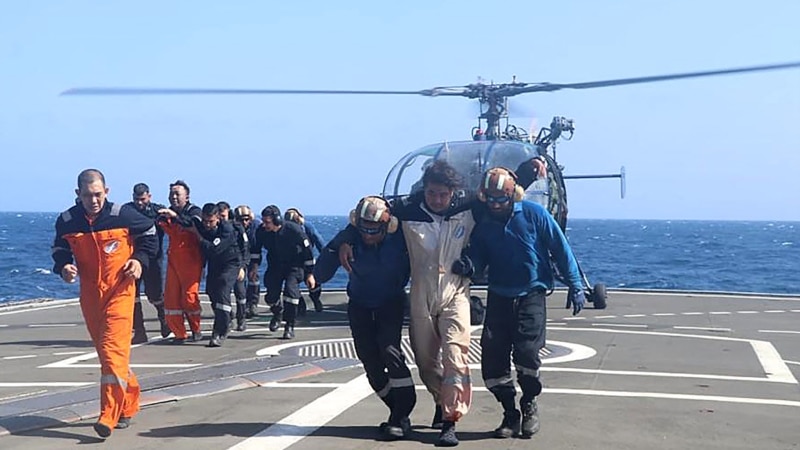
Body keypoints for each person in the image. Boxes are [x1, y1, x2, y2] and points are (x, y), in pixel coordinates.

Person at [338, 157, 544, 446]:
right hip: (421, 296)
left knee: (456, 357)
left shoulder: (469, 205)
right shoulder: (408, 210)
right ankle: (440, 399)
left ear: (452, 192)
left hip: (456, 293)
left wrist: (530, 168)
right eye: (432, 193)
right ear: (425, 190)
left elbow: (501, 191)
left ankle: (450, 420)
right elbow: (370, 213)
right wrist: (347, 237)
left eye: (443, 194)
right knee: (425, 363)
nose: (437, 199)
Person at [454, 166, 585, 439]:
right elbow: (478, 256)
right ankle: (509, 412)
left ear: (514, 194)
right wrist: (469, 265)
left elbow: (560, 248)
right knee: (492, 361)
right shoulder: (485, 224)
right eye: (490, 199)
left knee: (527, 354)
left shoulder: (534, 214)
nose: (496, 205)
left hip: (531, 295)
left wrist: (575, 284)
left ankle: (529, 402)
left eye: (501, 199)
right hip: (499, 296)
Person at [51, 169, 158, 438]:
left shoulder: (122, 214)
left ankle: (108, 415)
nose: (94, 200)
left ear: (106, 192)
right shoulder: (67, 221)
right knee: (110, 356)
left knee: (112, 352)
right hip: (90, 295)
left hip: (120, 292)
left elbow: (149, 234)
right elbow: (59, 249)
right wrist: (64, 266)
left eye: (98, 194)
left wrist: (139, 261)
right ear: (78, 195)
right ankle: (130, 401)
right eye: (88, 196)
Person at [313, 196, 415, 440]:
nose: (368, 235)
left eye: (374, 230)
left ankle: (402, 411)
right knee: (370, 360)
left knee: (390, 350)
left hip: (390, 302)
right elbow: (321, 273)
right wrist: (341, 241)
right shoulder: (350, 239)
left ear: (387, 225)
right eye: (363, 229)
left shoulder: (401, 236)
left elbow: (412, 201)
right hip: (359, 305)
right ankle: (396, 409)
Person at [249, 205, 316, 340]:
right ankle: (277, 312)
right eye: (264, 221)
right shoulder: (262, 232)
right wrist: (254, 268)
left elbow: (308, 252)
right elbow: (256, 250)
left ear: (277, 220)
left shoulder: (294, 230)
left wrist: (310, 274)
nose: (265, 225)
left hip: (295, 266)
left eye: (268, 222)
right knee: (271, 297)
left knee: (291, 294)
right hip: (275, 266)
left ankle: (289, 326)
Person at [157, 180, 204, 343]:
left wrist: (175, 217)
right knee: (171, 298)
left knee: (189, 296)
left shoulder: (194, 211)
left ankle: (196, 329)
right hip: (173, 259)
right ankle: (179, 333)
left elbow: (195, 225)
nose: (173, 197)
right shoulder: (166, 213)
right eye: (171, 194)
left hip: (191, 258)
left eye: (177, 194)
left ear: (187, 196)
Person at [125, 182, 170, 343]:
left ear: (149, 197)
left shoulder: (158, 211)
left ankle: (164, 319)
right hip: (133, 260)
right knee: (133, 297)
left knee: (155, 295)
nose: (139, 202)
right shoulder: (128, 211)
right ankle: (139, 331)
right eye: (136, 199)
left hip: (154, 260)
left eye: (142, 199)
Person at [195, 203, 242, 347]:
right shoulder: (201, 225)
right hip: (215, 264)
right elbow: (186, 221)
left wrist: (197, 235)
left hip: (230, 263)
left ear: (218, 219)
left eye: (211, 221)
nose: (207, 225)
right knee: (211, 291)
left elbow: (213, 249)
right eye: (205, 221)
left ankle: (219, 331)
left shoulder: (226, 229)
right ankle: (226, 317)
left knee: (222, 288)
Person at [217, 201, 250, 332]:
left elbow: (245, 248)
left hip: (237, 264)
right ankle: (228, 318)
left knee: (240, 293)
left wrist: (242, 266)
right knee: (221, 294)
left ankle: (241, 319)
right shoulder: (216, 229)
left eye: (223, 216)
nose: (221, 219)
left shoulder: (237, 228)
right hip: (222, 265)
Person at [284, 207, 324, 313]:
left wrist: (325, 256)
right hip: (293, 262)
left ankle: (316, 299)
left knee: (314, 283)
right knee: (292, 284)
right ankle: (301, 304)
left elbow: (318, 239)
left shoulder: (307, 227)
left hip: (308, 259)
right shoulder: (284, 229)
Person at [234, 205, 261, 318]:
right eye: (241, 220)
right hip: (240, 257)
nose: (244, 222)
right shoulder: (233, 228)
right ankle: (242, 306)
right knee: (240, 280)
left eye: (247, 219)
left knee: (253, 277)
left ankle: (253, 303)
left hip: (254, 254)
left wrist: (254, 265)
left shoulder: (257, 226)